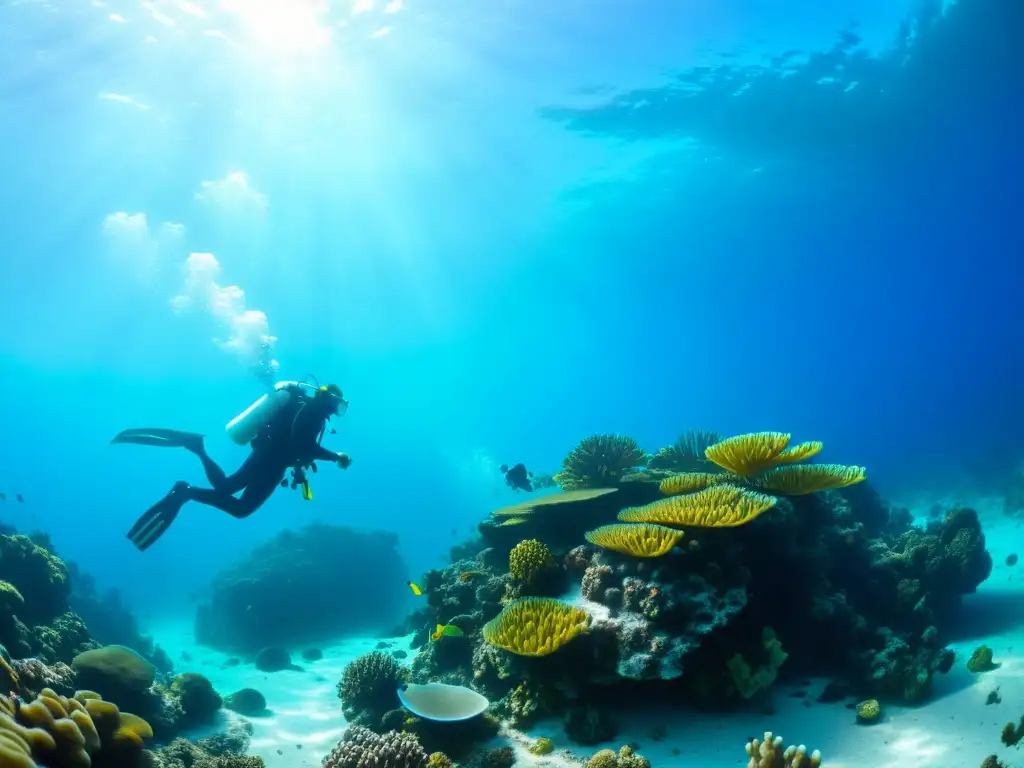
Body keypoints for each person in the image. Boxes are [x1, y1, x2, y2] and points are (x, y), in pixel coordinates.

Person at [113, 382, 352, 552]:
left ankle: (191, 475)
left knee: (232, 495)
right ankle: (194, 461)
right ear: (327, 399)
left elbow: (301, 445)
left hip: (271, 459)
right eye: (336, 404)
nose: (335, 410)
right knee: (236, 501)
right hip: (270, 459)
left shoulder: (310, 411)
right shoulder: (311, 412)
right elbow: (303, 445)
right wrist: (336, 457)